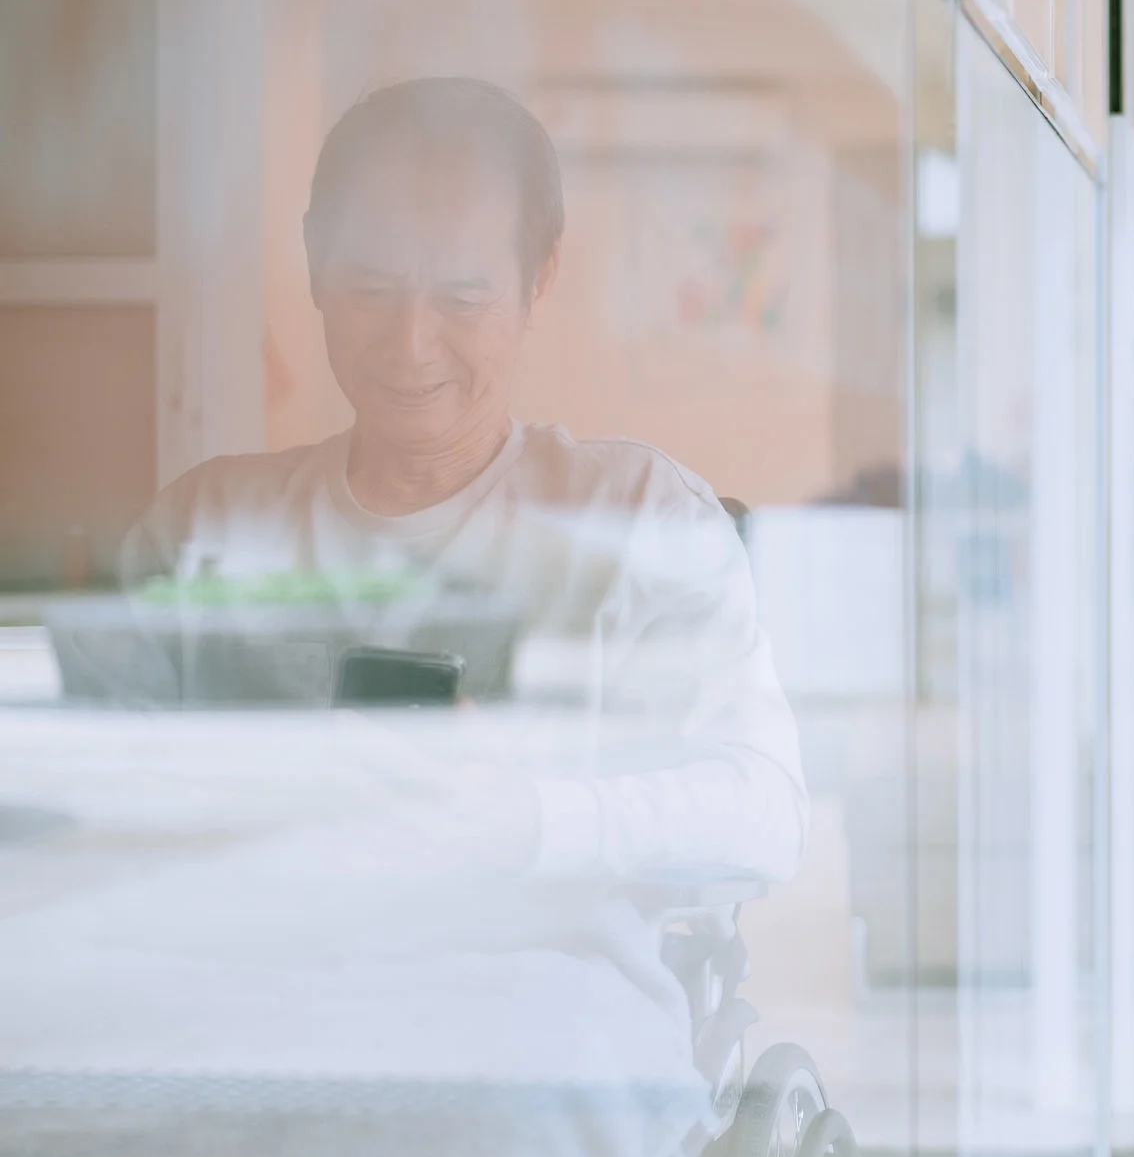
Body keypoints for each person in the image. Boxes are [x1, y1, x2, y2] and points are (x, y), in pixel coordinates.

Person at [120, 76, 805, 883]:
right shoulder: (210, 524)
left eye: (463, 295)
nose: (411, 345)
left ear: (537, 280)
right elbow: (92, 784)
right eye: (372, 290)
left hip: (544, 1001)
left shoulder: (641, 516)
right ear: (315, 264)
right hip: (265, 988)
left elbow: (765, 817)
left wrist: (531, 819)